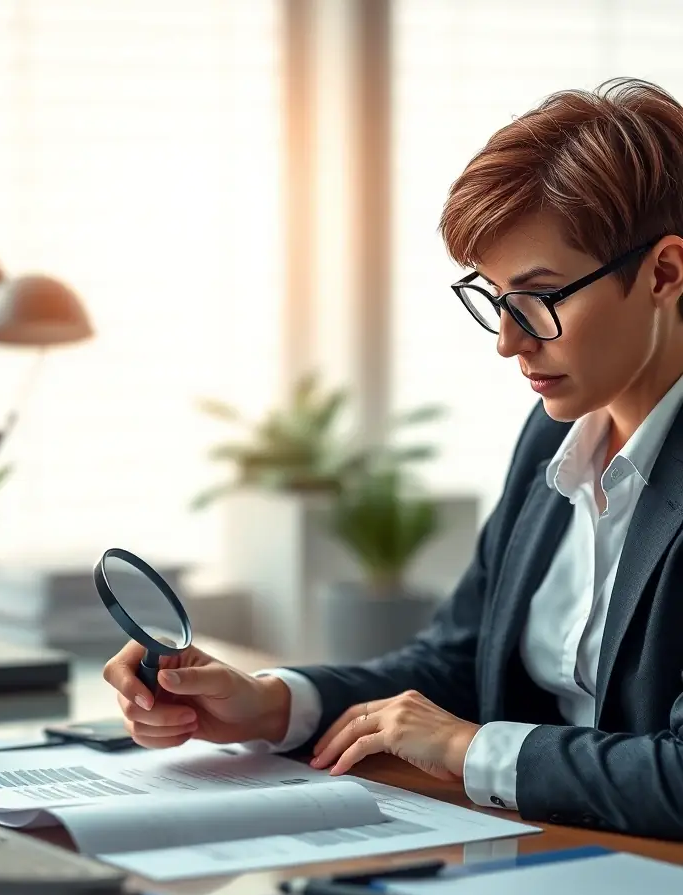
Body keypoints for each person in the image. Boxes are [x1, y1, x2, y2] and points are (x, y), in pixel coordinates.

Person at [104, 77, 683, 840]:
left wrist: (471, 748)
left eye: (540, 299)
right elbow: (458, 662)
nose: (509, 341)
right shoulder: (554, 436)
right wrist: (269, 703)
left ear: (665, 274)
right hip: (548, 859)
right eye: (495, 299)